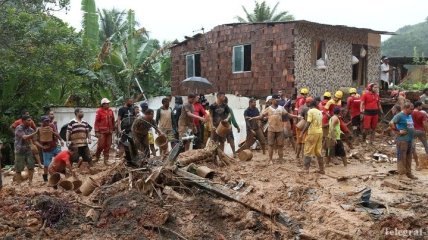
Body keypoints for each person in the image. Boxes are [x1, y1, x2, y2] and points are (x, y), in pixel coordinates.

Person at [252, 94, 300, 164]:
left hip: (280, 130)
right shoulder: (268, 109)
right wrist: (254, 118)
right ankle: (270, 159)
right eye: (276, 100)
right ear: (272, 100)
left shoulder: (281, 108)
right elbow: (261, 116)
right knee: (270, 145)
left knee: (280, 145)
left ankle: (281, 159)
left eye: (278, 100)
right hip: (271, 130)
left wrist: (296, 116)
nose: (278, 101)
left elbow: (288, 115)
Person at [389, 102, 417, 179]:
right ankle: (402, 174)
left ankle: (408, 173)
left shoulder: (409, 115)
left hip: (410, 139)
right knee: (401, 157)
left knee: (408, 157)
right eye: (411, 109)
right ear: (405, 108)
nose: (412, 110)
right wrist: (398, 131)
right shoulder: (399, 116)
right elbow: (391, 123)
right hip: (402, 140)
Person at [34, 116, 64, 183]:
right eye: (46, 121)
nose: (48, 122)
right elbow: (35, 140)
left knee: (62, 159)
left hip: (55, 147)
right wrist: (42, 147)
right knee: (46, 165)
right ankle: (45, 179)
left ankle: (62, 173)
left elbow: (57, 134)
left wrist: (61, 140)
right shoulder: (39, 129)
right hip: (46, 150)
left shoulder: (51, 125)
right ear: (42, 122)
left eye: (48, 121)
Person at [300, 100, 324, 174]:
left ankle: (305, 169)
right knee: (318, 151)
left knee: (307, 151)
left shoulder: (310, 111)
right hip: (320, 132)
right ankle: (322, 169)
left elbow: (308, 123)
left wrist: (302, 132)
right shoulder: (319, 112)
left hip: (312, 133)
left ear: (310, 104)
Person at [13, 115, 38, 184]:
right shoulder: (19, 128)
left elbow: (34, 140)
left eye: (31, 120)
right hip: (19, 151)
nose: (30, 122)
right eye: (28, 120)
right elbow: (24, 137)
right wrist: (35, 132)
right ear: (23, 121)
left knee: (31, 166)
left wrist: (41, 147)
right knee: (18, 169)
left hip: (28, 150)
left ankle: (30, 182)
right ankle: (19, 184)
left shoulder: (31, 130)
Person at [94, 98, 115, 165]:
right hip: (102, 132)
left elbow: (113, 120)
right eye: (107, 103)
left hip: (109, 132)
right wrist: (96, 131)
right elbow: (96, 122)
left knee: (108, 145)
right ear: (103, 104)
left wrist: (114, 128)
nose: (108, 104)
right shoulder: (99, 111)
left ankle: (106, 160)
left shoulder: (110, 111)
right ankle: (97, 157)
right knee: (100, 145)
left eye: (108, 103)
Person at [411, 101, 428, 171]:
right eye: (421, 106)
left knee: (413, 147)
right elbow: (425, 124)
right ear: (418, 106)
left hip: (412, 131)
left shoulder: (410, 113)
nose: (422, 107)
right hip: (421, 131)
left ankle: (417, 163)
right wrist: (426, 131)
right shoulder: (422, 114)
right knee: (426, 145)